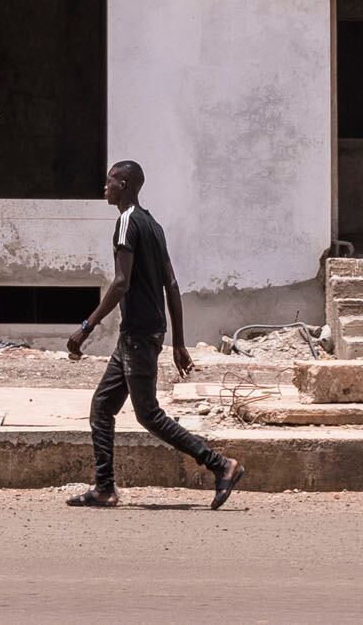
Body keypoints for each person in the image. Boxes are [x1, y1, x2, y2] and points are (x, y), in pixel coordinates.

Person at [64, 160, 239, 509]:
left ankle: (221, 464)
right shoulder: (154, 226)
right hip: (142, 333)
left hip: (139, 334)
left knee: (148, 414)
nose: (105, 186)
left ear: (125, 185)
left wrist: (86, 327)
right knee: (102, 407)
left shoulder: (127, 222)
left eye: (110, 181)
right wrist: (177, 342)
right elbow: (171, 285)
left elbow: (120, 282)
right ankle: (104, 488)